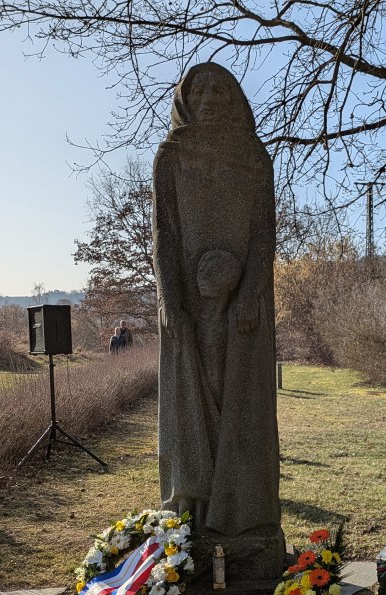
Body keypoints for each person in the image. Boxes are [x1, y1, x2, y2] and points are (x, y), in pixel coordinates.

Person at [152, 63, 279, 537]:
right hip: (187, 299)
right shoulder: (172, 154)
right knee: (191, 398)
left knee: (243, 401)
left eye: (221, 88)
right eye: (199, 88)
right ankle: (192, 521)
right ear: (184, 98)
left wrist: (249, 293)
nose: (211, 96)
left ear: (235, 98)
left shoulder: (253, 156)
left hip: (246, 306)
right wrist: (169, 298)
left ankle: (244, 516)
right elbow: (164, 236)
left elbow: (265, 235)